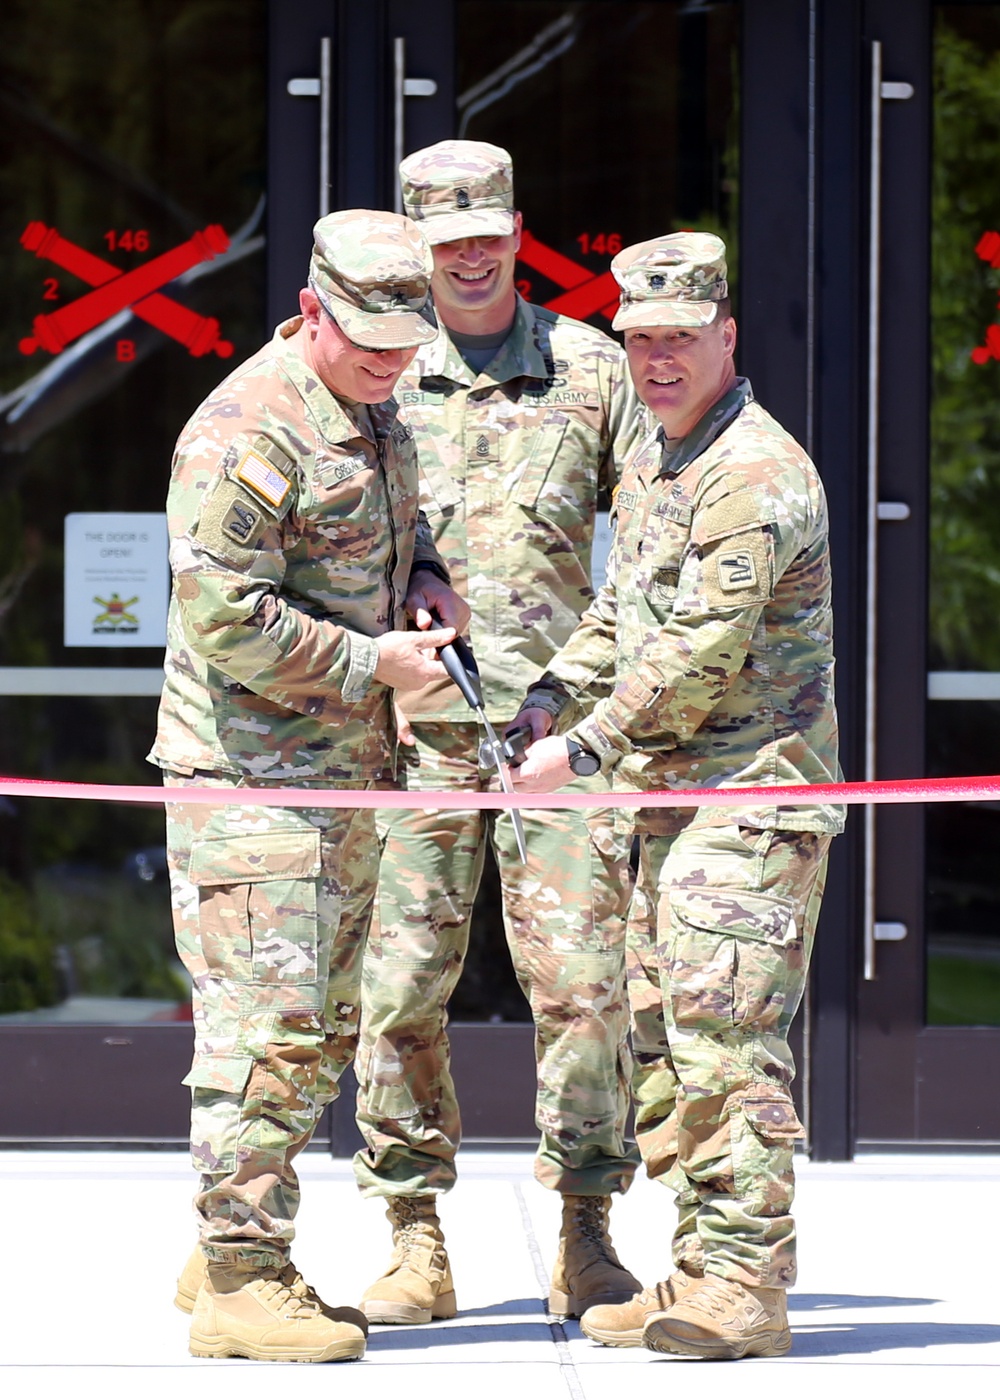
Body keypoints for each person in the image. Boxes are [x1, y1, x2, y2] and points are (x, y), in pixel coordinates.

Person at [511, 232, 843, 1360]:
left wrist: (587, 747)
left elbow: (703, 646)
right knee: (667, 1038)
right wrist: (553, 692)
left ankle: (746, 1279)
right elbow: (625, 609)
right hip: (672, 802)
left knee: (726, 1038)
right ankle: (702, 1266)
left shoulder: (752, 472)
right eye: (639, 340)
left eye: (678, 339)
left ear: (726, 335)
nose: (657, 360)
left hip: (750, 802)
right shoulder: (660, 457)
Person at [148, 208, 469, 1364]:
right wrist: (364, 660)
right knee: (264, 1029)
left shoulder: (374, 410)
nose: (390, 368)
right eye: (370, 345)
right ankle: (243, 1277)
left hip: (340, 777)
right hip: (253, 778)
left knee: (323, 1022)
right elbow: (219, 610)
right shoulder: (248, 427)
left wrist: (425, 579)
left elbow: (391, 528)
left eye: (405, 349)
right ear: (309, 312)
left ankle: (224, 1242)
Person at [352, 139, 645, 1326]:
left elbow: (655, 544)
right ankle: (412, 1235)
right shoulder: (373, 368)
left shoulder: (593, 369)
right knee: (400, 983)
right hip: (410, 731)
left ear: (518, 231)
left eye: (487, 235)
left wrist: (592, 694)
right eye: (443, 243)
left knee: (581, 985)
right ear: (415, 248)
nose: (467, 261)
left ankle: (585, 1229)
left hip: (552, 733)